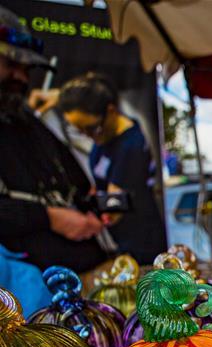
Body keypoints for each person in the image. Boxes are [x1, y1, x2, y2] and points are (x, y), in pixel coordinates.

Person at [0, 7, 108, 273]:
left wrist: (95, 207)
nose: (22, 77)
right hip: (24, 286)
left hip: (81, 272)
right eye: (11, 65)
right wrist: (49, 218)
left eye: (27, 68)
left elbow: (77, 180)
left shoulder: (24, 118)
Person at [58, 72, 167, 264]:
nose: (88, 136)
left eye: (91, 128)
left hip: (142, 241)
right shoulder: (106, 135)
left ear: (111, 111)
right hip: (122, 238)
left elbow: (114, 209)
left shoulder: (130, 146)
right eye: (79, 130)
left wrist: (79, 211)